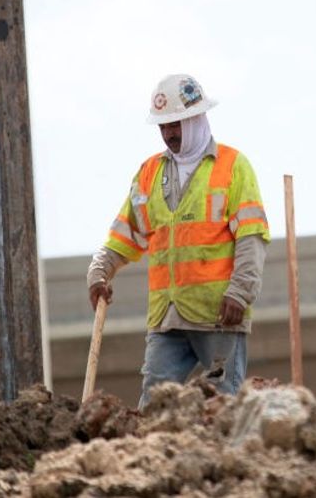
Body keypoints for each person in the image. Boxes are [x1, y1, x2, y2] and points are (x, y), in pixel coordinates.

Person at [87, 74, 270, 407]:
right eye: (163, 126)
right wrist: (99, 272)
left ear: (197, 118)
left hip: (218, 316)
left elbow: (251, 237)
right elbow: (124, 235)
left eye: (176, 124)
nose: (169, 133)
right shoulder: (149, 173)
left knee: (223, 405)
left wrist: (240, 292)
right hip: (166, 317)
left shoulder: (233, 166)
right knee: (154, 406)